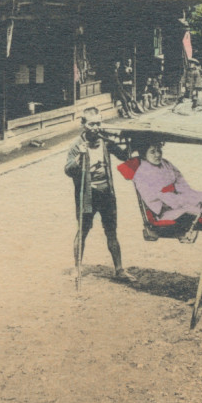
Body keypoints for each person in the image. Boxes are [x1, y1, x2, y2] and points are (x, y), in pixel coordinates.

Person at [64, 107, 137, 283]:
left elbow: (124, 156)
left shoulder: (105, 141)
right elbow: (68, 170)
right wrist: (79, 159)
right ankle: (77, 268)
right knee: (83, 231)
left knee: (111, 231)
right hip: (87, 195)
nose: (96, 127)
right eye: (92, 124)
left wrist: (130, 143)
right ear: (83, 125)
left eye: (98, 123)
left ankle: (119, 270)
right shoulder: (77, 145)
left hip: (106, 193)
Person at [130, 140, 202, 238]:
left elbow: (181, 183)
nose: (157, 154)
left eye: (159, 150)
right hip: (166, 210)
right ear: (144, 154)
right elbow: (154, 197)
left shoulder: (165, 163)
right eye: (152, 152)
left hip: (177, 199)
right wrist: (188, 202)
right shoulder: (141, 172)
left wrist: (194, 197)